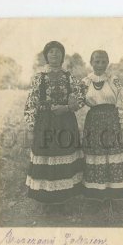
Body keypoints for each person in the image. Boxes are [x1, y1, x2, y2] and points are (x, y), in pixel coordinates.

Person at [24, 41, 85, 212]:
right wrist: (31, 126)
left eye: (58, 52)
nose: (55, 55)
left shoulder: (69, 77)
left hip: (65, 122)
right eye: (51, 52)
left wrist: (66, 107)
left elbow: (81, 98)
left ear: (62, 56)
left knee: (64, 155)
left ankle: (63, 201)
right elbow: (31, 103)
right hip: (45, 123)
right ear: (46, 55)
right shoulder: (38, 77)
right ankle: (46, 202)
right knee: (46, 157)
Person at [81, 50, 123, 205]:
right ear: (91, 62)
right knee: (96, 156)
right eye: (97, 61)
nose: (100, 65)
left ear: (108, 63)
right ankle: (97, 197)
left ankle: (114, 196)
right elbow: (77, 100)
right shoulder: (85, 82)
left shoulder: (113, 80)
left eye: (103, 61)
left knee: (113, 154)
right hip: (94, 122)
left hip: (112, 122)